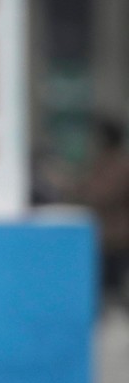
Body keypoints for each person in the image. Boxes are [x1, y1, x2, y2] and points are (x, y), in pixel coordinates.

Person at [81, 115, 129, 315]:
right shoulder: (102, 164)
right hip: (103, 236)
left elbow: (101, 194)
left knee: (113, 287)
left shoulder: (119, 166)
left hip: (116, 237)